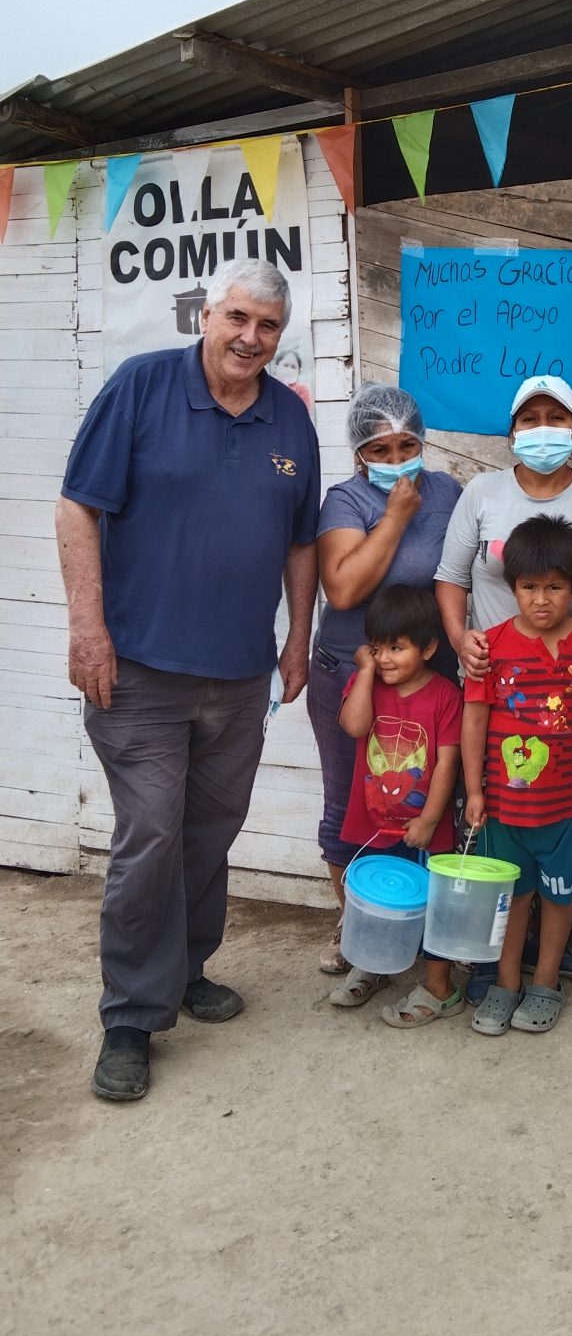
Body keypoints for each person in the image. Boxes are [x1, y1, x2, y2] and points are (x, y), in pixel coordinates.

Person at [55, 258, 321, 1103]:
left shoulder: (291, 420)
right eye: (238, 318)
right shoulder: (141, 387)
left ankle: (185, 969)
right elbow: (77, 507)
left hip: (239, 674)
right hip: (138, 672)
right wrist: (88, 629)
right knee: (151, 836)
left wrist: (298, 639)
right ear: (207, 314)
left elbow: (301, 542)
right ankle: (131, 1016)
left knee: (210, 830)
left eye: (268, 327)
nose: (250, 338)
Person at [435, 374, 572, 999]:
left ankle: (549, 959)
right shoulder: (482, 492)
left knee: (566, 812)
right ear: (511, 431)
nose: (542, 430)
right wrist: (458, 638)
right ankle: (499, 960)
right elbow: (451, 577)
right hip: (497, 679)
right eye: (530, 419)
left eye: (556, 418)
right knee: (501, 815)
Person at [307, 383, 461, 977]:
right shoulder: (345, 502)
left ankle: (416, 920)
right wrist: (395, 520)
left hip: (429, 676)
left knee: (421, 796)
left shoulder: (448, 493)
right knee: (350, 800)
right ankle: (356, 922)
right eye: (381, 448)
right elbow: (343, 588)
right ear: (358, 453)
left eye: (407, 445)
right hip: (353, 672)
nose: (397, 459)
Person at [462, 515, 572, 1035]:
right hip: (505, 807)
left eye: (555, 587)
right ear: (512, 588)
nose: (542, 600)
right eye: (529, 587)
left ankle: (546, 981)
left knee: (556, 897)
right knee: (512, 899)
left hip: (569, 805)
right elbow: (476, 718)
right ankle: (507, 983)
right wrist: (473, 790)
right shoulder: (490, 647)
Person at [332, 585, 465, 1027]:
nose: (385, 658)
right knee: (378, 900)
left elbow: (448, 762)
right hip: (373, 822)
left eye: (396, 648)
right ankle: (374, 963)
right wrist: (365, 672)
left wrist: (429, 819)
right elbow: (354, 726)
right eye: (377, 648)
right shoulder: (368, 685)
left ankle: (439, 987)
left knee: (435, 904)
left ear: (428, 648)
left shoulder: (445, 696)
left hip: (425, 828)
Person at [273, 345, 313, 412]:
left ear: (299, 372)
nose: (289, 369)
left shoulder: (302, 390)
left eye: (293, 367)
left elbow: (303, 412)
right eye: (286, 365)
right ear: (276, 368)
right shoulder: (269, 386)